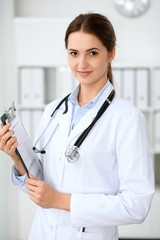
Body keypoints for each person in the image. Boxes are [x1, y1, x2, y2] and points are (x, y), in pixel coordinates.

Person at [0, 13, 154, 240]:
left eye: (92, 53)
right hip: (42, 232)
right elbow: (43, 185)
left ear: (111, 53)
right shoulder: (53, 110)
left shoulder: (128, 119)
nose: (81, 64)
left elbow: (136, 205)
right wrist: (17, 157)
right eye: (74, 53)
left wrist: (60, 201)